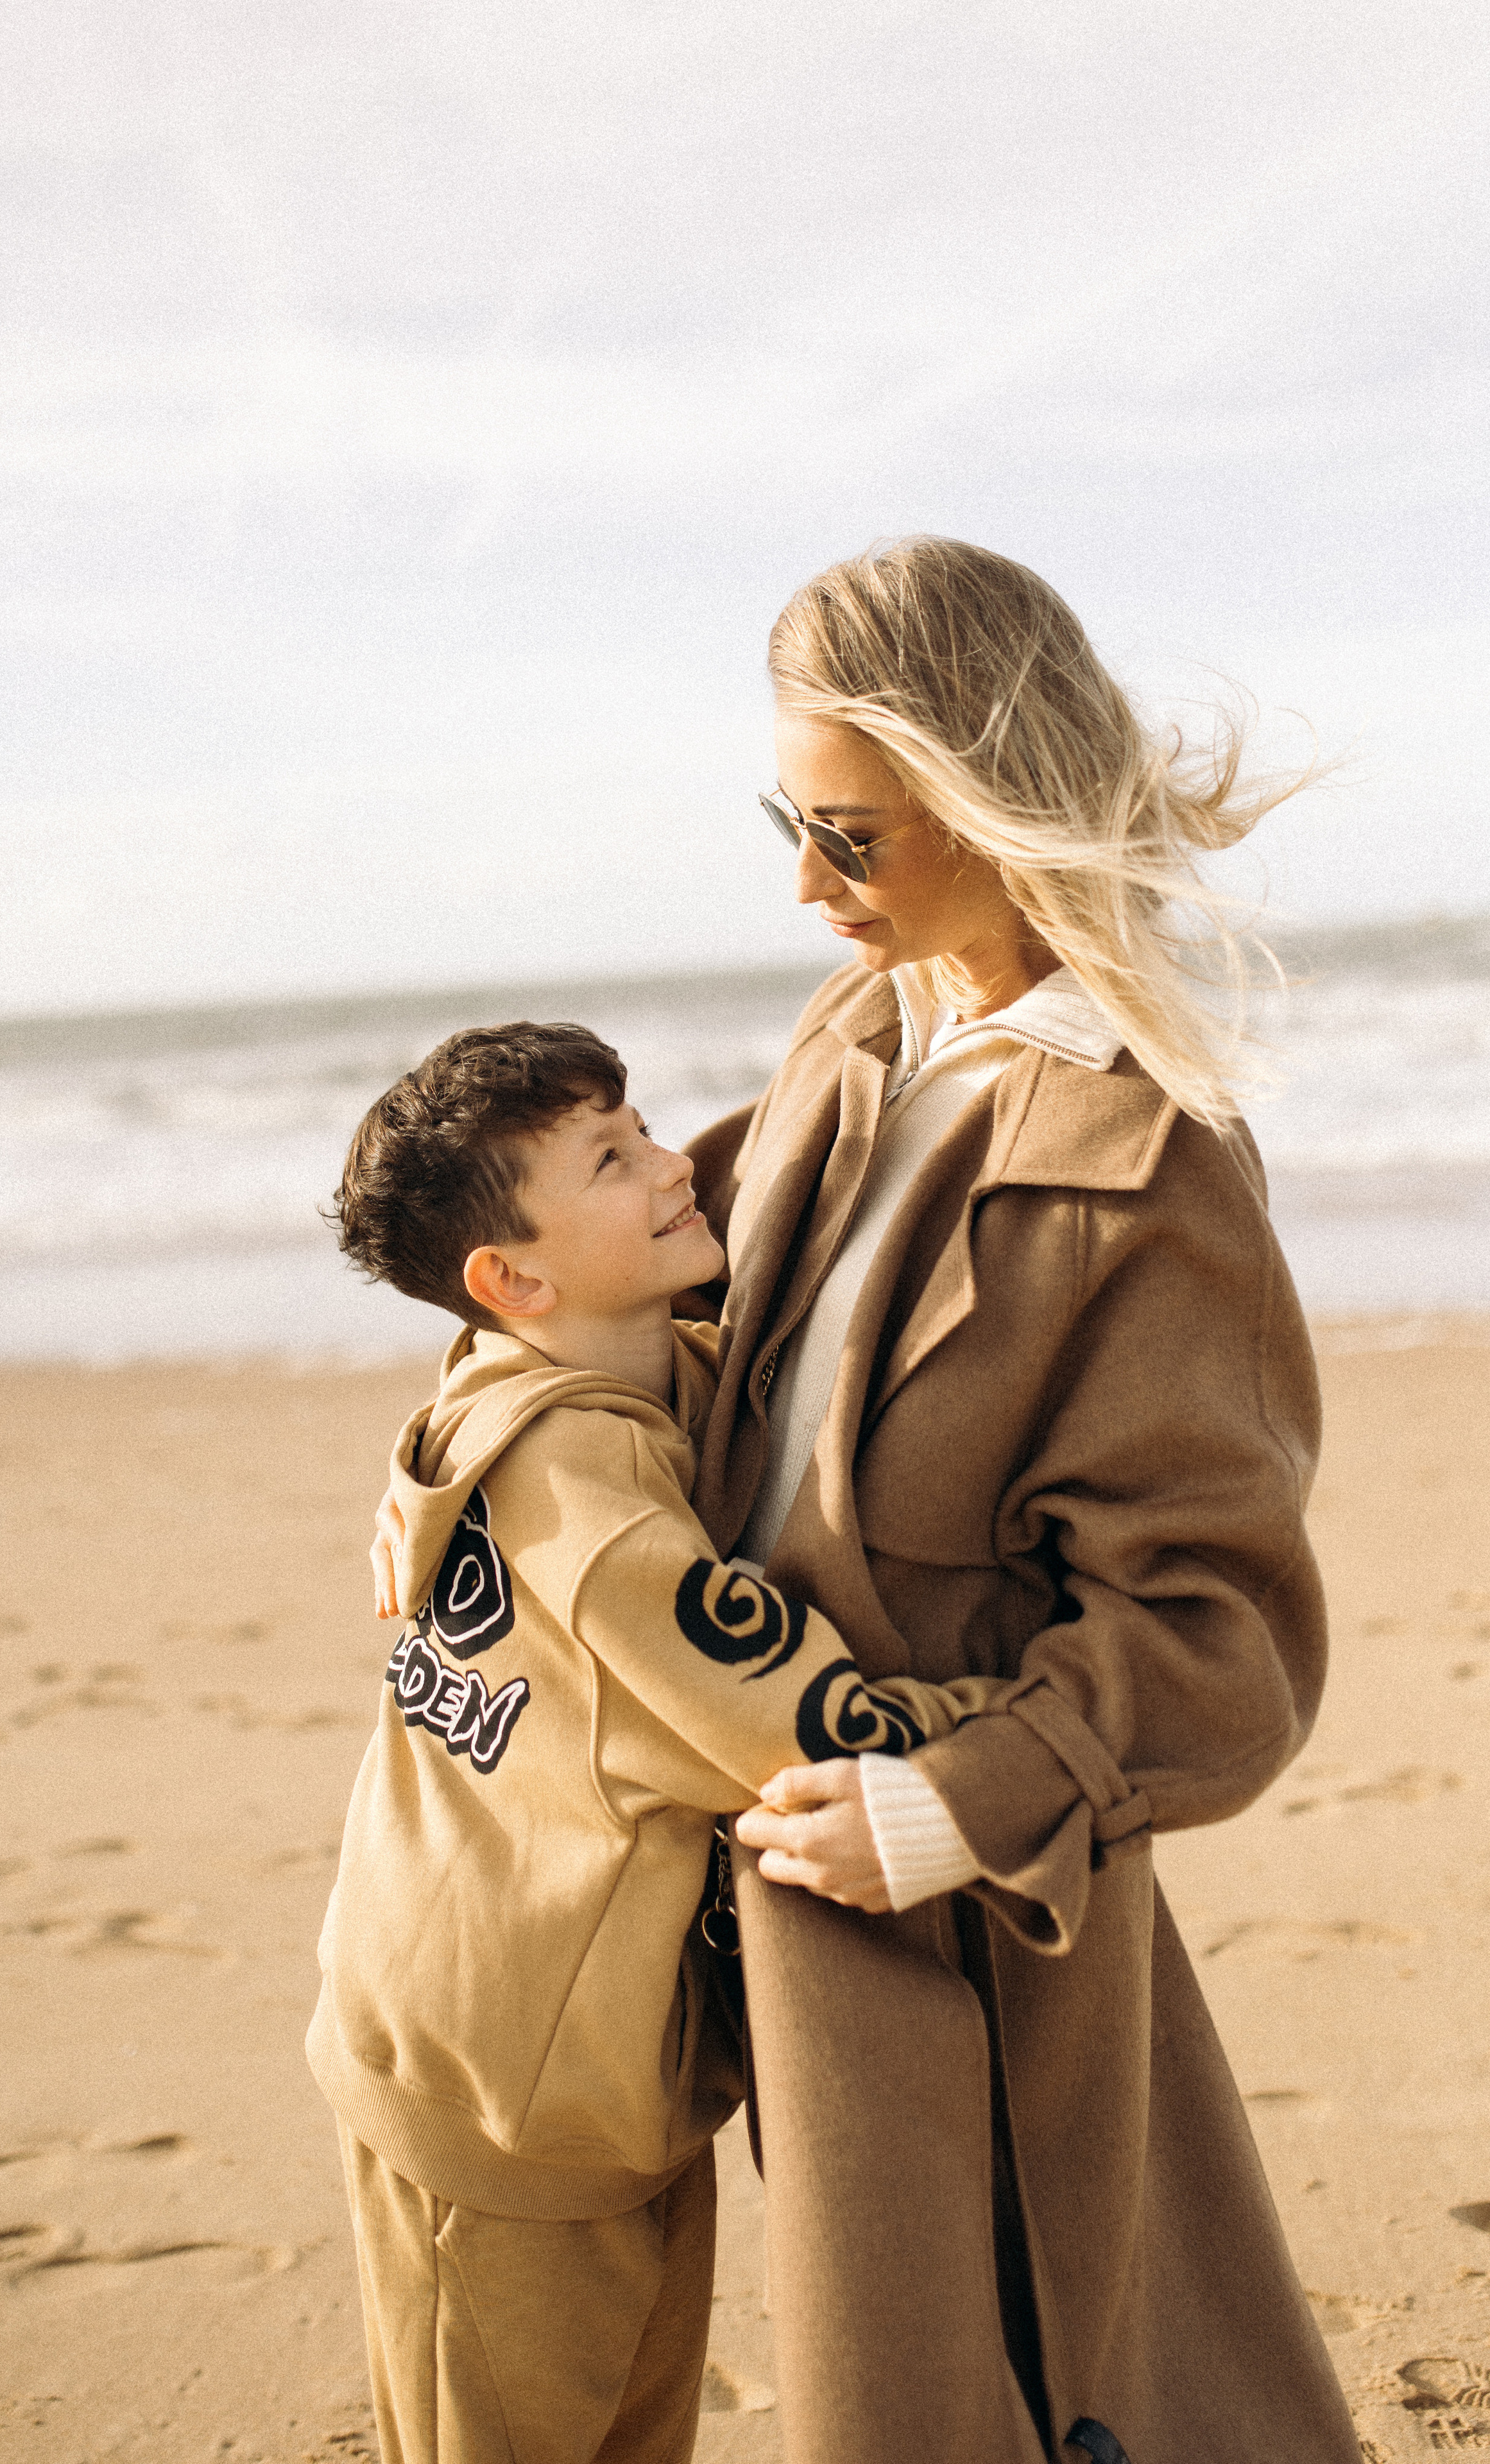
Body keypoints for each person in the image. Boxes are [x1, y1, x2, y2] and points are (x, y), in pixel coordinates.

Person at [675, 537, 1364, 2463]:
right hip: (776, 1854)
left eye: (853, 840)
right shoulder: (858, 1043)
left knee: (1061, 2385)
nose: (801, 888)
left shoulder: (1151, 1158)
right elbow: (673, 1312)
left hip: (975, 1905)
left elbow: (1224, 1648)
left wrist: (952, 1809)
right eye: (787, 822)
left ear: (994, 804)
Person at [312, 1019, 989, 2464]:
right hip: (505, 2103)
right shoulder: (591, 1503)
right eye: (611, 1159)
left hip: (560, 2061)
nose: (676, 1163)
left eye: (641, 1125)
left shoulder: (528, 1376)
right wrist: (1027, 1723)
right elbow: (804, 1731)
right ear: (517, 1278)